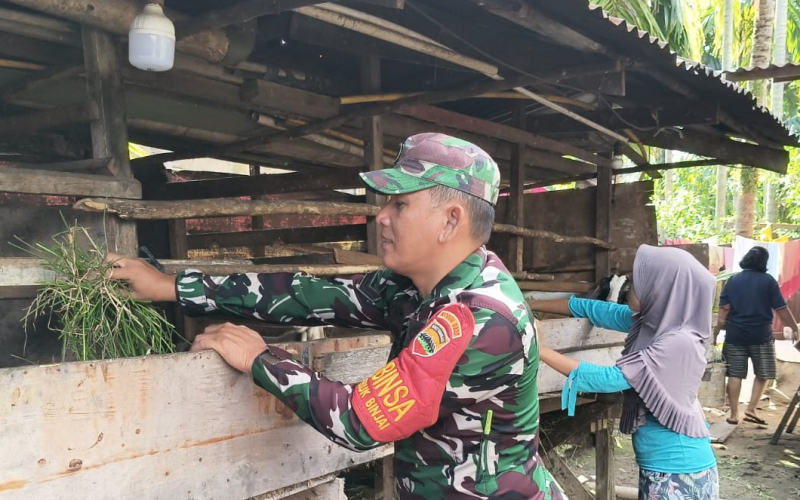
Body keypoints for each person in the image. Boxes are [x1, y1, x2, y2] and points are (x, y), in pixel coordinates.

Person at [106, 133, 565, 500]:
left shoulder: (480, 319)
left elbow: (362, 420)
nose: (381, 216)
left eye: (400, 204)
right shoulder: (418, 287)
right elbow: (311, 295)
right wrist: (171, 286)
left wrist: (261, 358)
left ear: (450, 220)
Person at [529, 245, 719, 500]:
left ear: (661, 289)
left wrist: (537, 348)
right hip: (663, 466)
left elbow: (609, 380)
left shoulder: (677, 342)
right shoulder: (651, 322)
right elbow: (595, 310)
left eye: (639, 283)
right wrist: (527, 304)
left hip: (677, 471)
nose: (630, 287)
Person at [714, 246, 798, 426]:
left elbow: (724, 309)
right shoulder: (768, 281)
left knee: (735, 374)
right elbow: (781, 308)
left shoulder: (733, 280)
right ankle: (751, 408)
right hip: (761, 336)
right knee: (764, 373)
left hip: (735, 335)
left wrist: (715, 333)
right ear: (764, 262)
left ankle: (734, 414)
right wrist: (793, 327)